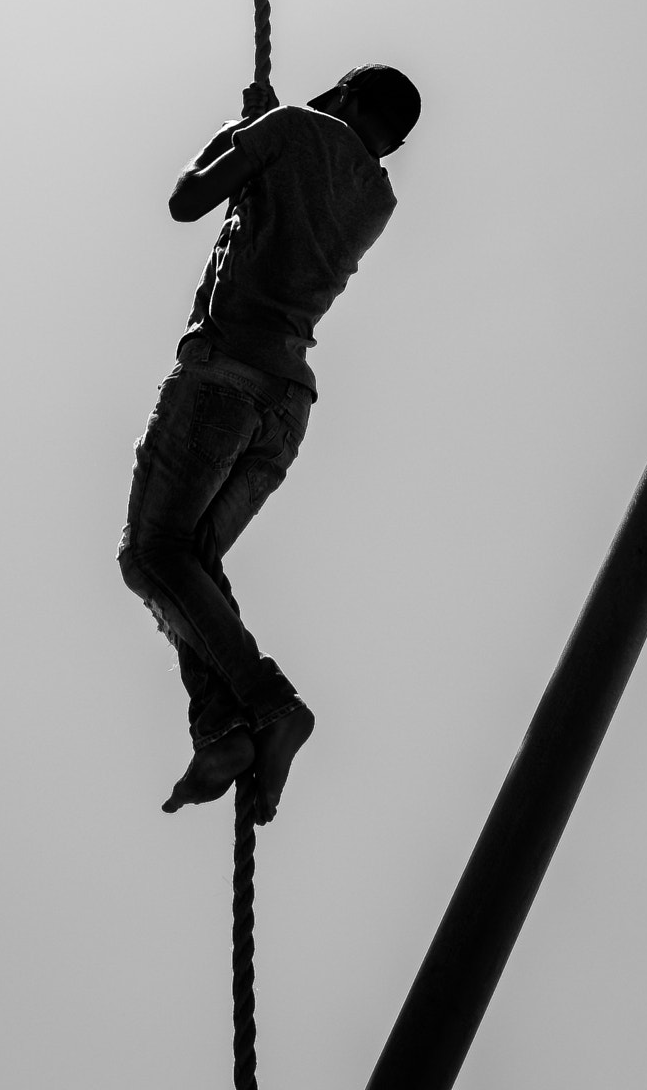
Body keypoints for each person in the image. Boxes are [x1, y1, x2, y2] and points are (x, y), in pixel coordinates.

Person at [119, 63, 422, 823]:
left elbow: (188, 200)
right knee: (189, 566)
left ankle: (268, 706)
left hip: (226, 380)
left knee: (152, 554)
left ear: (346, 94)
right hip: (285, 407)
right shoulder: (377, 197)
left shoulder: (292, 129)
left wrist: (246, 126)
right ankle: (221, 730)